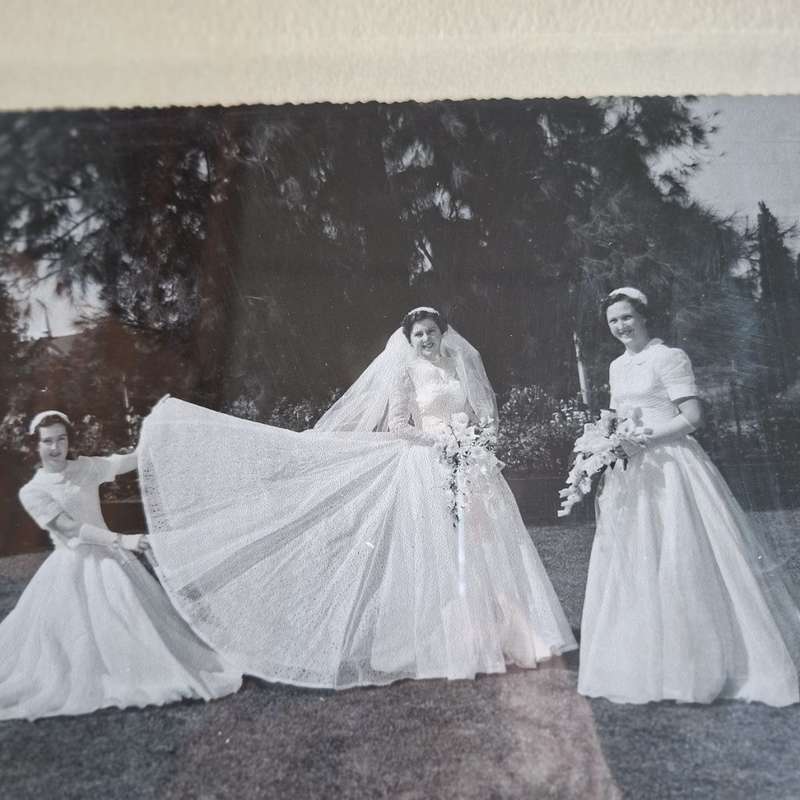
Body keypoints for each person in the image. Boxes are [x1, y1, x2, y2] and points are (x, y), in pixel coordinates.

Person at [138, 307, 576, 688]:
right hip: (429, 464)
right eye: (418, 334)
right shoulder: (406, 373)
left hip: (471, 464)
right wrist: (441, 442)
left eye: (430, 331)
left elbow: (483, 414)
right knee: (441, 553)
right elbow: (398, 426)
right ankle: (452, 644)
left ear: (443, 334)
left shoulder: (458, 365)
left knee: (485, 548)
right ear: (409, 340)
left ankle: (503, 636)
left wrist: (476, 443)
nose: (425, 339)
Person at [578, 287, 800, 706]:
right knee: (636, 558)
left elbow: (692, 418)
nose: (621, 326)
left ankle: (701, 664)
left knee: (680, 553)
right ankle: (646, 662)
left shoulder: (669, 357)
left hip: (671, 466)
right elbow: (616, 415)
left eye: (627, 317)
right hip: (631, 472)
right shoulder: (616, 365)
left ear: (644, 317)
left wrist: (642, 440)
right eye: (613, 321)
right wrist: (605, 442)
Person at [0, 411, 241, 721]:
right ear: (36, 445)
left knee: (135, 622)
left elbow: (127, 462)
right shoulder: (33, 491)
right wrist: (121, 539)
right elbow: (69, 528)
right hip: (72, 564)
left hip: (111, 560)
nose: (56, 448)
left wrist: (156, 432)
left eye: (61, 439)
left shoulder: (85, 467)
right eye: (48, 441)